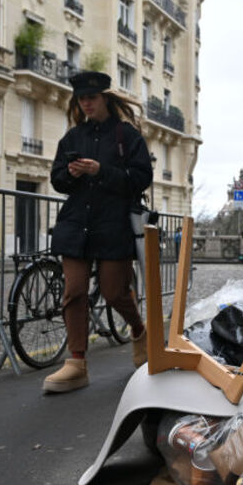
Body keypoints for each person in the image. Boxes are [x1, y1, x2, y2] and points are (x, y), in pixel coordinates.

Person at [45, 71, 153, 394]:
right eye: (81, 99)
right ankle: (76, 363)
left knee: (114, 291)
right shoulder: (72, 138)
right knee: (74, 291)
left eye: (91, 97)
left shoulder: (127, 136)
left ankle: (138, 329)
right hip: (77, 224)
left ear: (105, 97)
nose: (86, 103)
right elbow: (57, 178)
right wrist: (72, 173)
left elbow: (141, 177)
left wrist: (101, 171)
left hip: (113, 224)